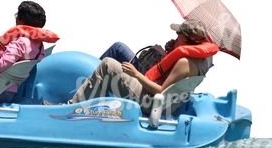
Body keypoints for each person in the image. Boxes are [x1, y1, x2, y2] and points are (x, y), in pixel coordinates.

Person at [44, 19, 218, 115]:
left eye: (178, 34)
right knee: (113, 62)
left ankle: (68, 108)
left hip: (152, 103)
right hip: (170, 103)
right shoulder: (202, 60)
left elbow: (160, 93)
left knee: (108, 65)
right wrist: (175, 47)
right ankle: (92, 103)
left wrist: (136, 74)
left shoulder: (183, 63)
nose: (175, 35)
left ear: (187, 38)